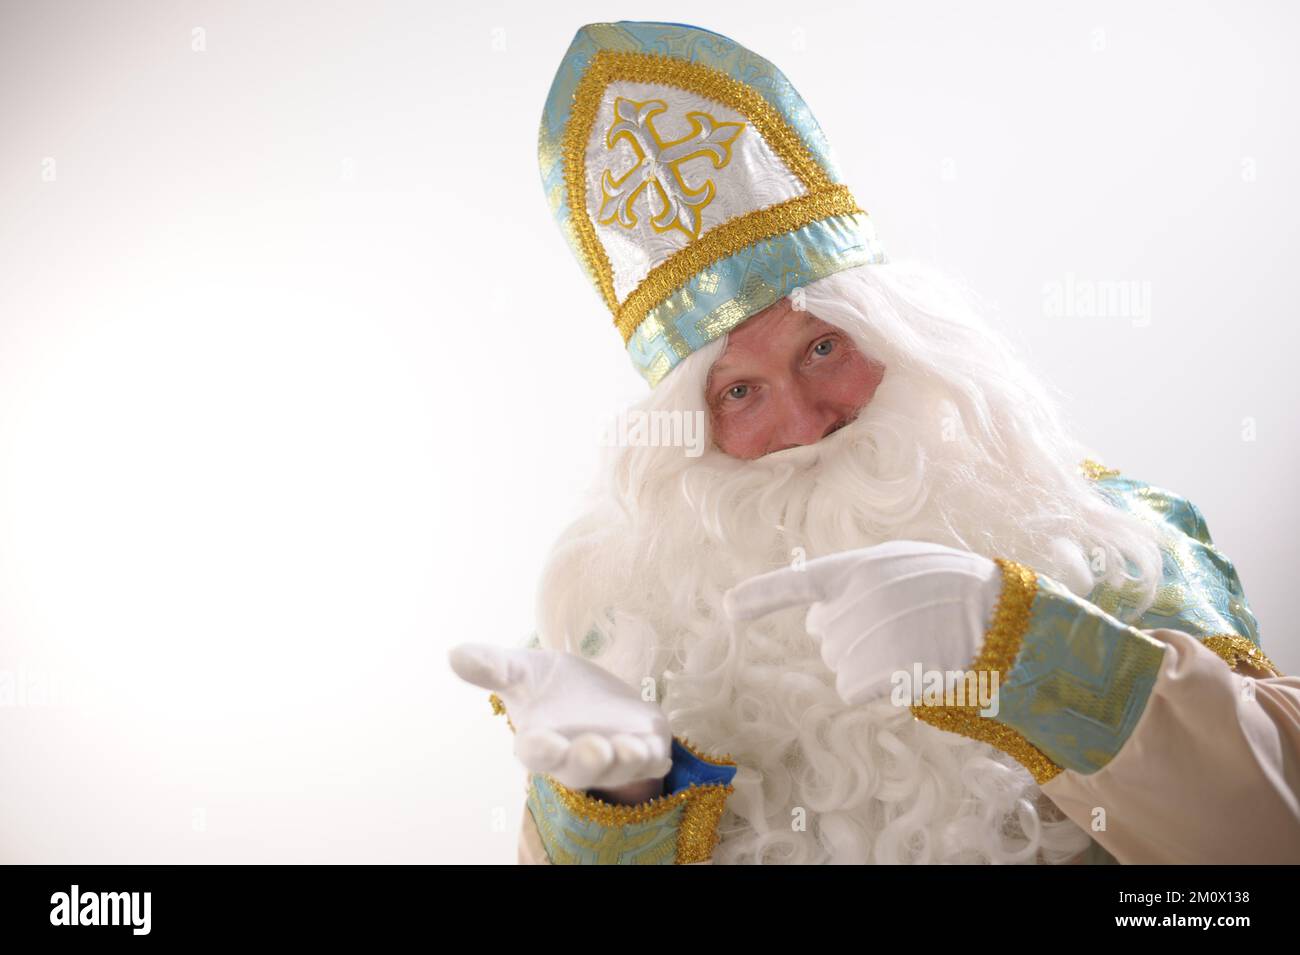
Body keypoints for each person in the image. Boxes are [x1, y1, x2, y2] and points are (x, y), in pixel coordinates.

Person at [448, 19, 1300, 864]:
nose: (809, 421)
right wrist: (619, 804)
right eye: (740, 392)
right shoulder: (626, 632)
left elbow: (1269, 832)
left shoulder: (1113, 545)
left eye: (823, 348)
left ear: (901, 340)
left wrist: (1030, 649)